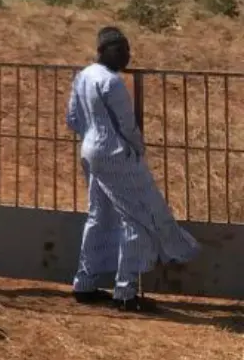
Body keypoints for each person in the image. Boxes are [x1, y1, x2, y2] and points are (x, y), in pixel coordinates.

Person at [67, 26, 200, 312]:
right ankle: (125, 292)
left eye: (127, 49)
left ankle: (84, 283)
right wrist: (137, 148)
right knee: (136, 218)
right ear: (103, 51)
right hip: (115, 154)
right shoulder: (112, 82)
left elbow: (72, 118)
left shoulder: (83, 75)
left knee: (98, 214)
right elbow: (127, 125)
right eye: (120, 50)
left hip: (89, 150)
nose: (126, 55)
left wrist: (91, 136)